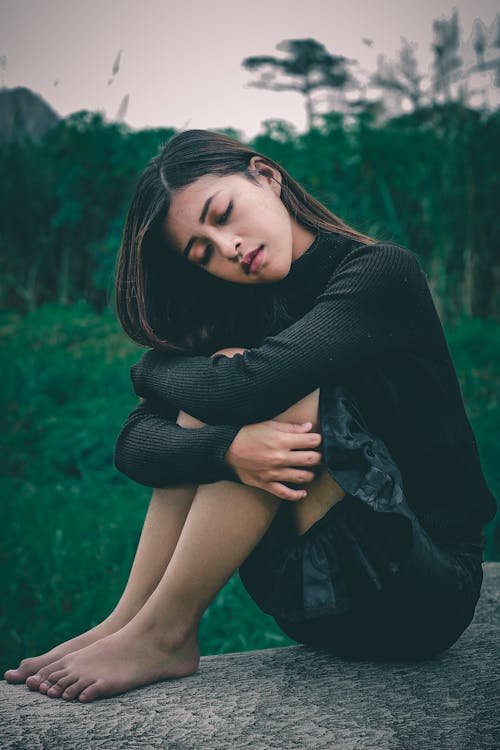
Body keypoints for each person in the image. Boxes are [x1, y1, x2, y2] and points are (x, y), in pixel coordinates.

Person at [5, 129, 496, 703]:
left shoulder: (380, 273)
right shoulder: (244, 307)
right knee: (223, 386)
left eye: (224, 214)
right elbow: (136, 444)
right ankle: (131, 620)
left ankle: (167, 631)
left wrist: (148, 372)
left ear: (266, 175)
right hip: (311, 595)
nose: (228, 247)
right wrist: (227, 451)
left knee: (259, 385)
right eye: (202, 251)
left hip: (424, 589)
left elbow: (251, 390)